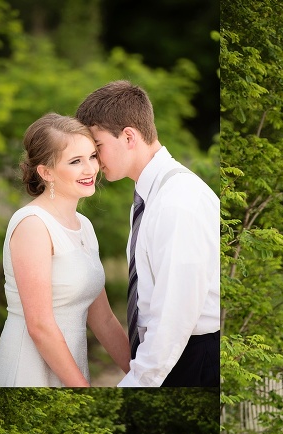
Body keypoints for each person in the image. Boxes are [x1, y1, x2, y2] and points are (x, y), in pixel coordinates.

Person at [75, 81, 220, 387]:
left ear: (129, 136)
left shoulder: (177, 201)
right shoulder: (149, 196)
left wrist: (139, 381)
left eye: (97, 147)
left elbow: (175, 316)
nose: (95, 161)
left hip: (192, 359)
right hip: (174, 356)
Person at [0, 114, 131, 387]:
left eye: (92, 156)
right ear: (46, 172)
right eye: (75, 161)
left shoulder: (84, 226)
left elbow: (104, 319)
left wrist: (143, 375)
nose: (90, 169)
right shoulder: (33, 225)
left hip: (70, 370)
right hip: (29, 370)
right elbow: (39, 326)